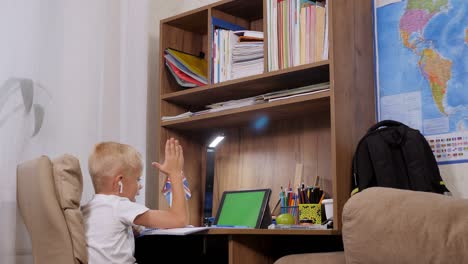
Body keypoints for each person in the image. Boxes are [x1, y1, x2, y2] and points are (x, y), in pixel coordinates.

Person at [81, 138, 188, 264]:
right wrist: (175, 173)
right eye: (137, 179)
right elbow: (179, 219)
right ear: (119, 182)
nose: (140, 185)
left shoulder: (86, 209)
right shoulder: (119, 205)